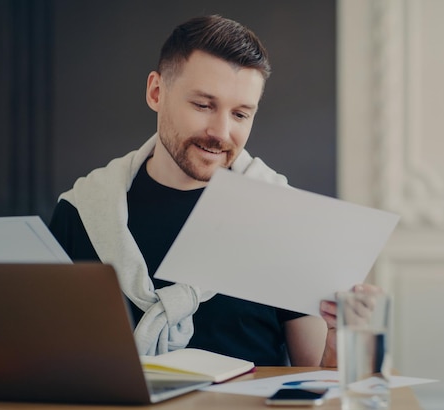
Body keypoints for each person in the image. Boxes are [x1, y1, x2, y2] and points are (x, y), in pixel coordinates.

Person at [49, 14, 377, 367]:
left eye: (240, 114)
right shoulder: (81, 214)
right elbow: (46, 363)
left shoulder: (281, 218)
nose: (221, 132)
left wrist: (342, 340)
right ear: (156, 92)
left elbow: (315, 377)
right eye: (203, 105)